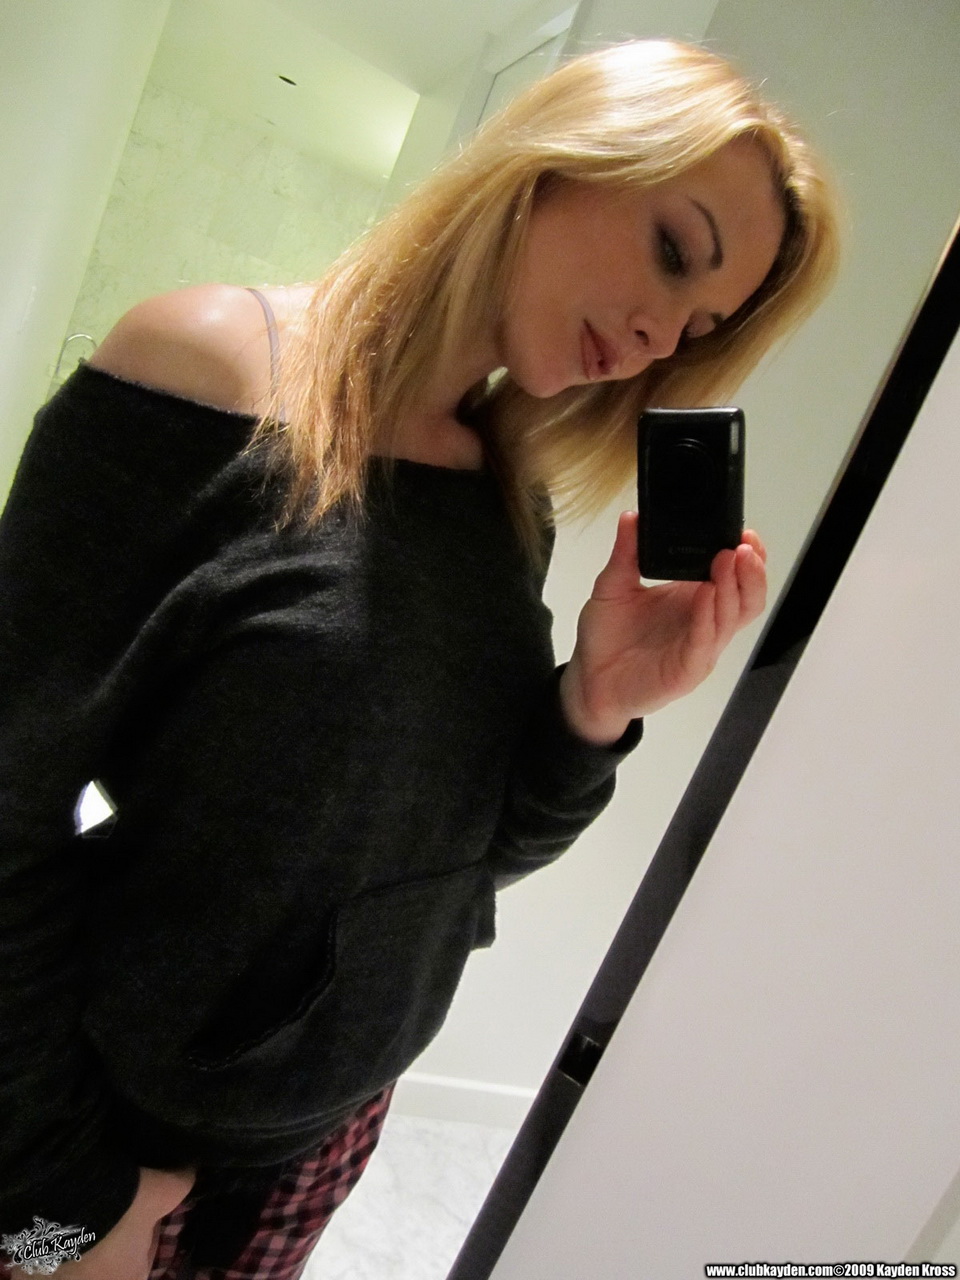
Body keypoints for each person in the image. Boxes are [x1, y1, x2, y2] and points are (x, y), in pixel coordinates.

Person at [0, 36, 838, 1280]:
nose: (661, 331)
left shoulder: (508, 500)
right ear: (556, 159)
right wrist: (62, 1207)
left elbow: (460, 862)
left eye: (699, 326)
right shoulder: (207, 372)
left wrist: (593, 707)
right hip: (95, 1141)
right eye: (674, 250)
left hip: (324, 1136)